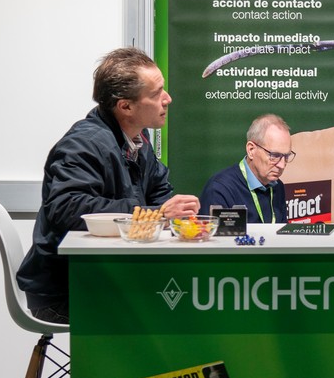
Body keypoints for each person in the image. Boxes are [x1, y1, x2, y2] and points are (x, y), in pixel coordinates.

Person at [17, 47, 200, 323]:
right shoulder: (83, 144)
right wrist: (156, 215)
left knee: (180, 306)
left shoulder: (138, 139)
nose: (167, 99)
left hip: (106, 278)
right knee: (172, 315)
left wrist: (176, 214)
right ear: (125, 106)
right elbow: (66, 208)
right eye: (156, 93)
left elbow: (159, 192)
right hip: (68, 289)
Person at [199, 114, 293, 224]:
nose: (282, 165)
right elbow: (212, 234)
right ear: (251, 150)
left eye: (286, 156)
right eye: (274, 155)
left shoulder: (278, 187)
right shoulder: (220, 189)